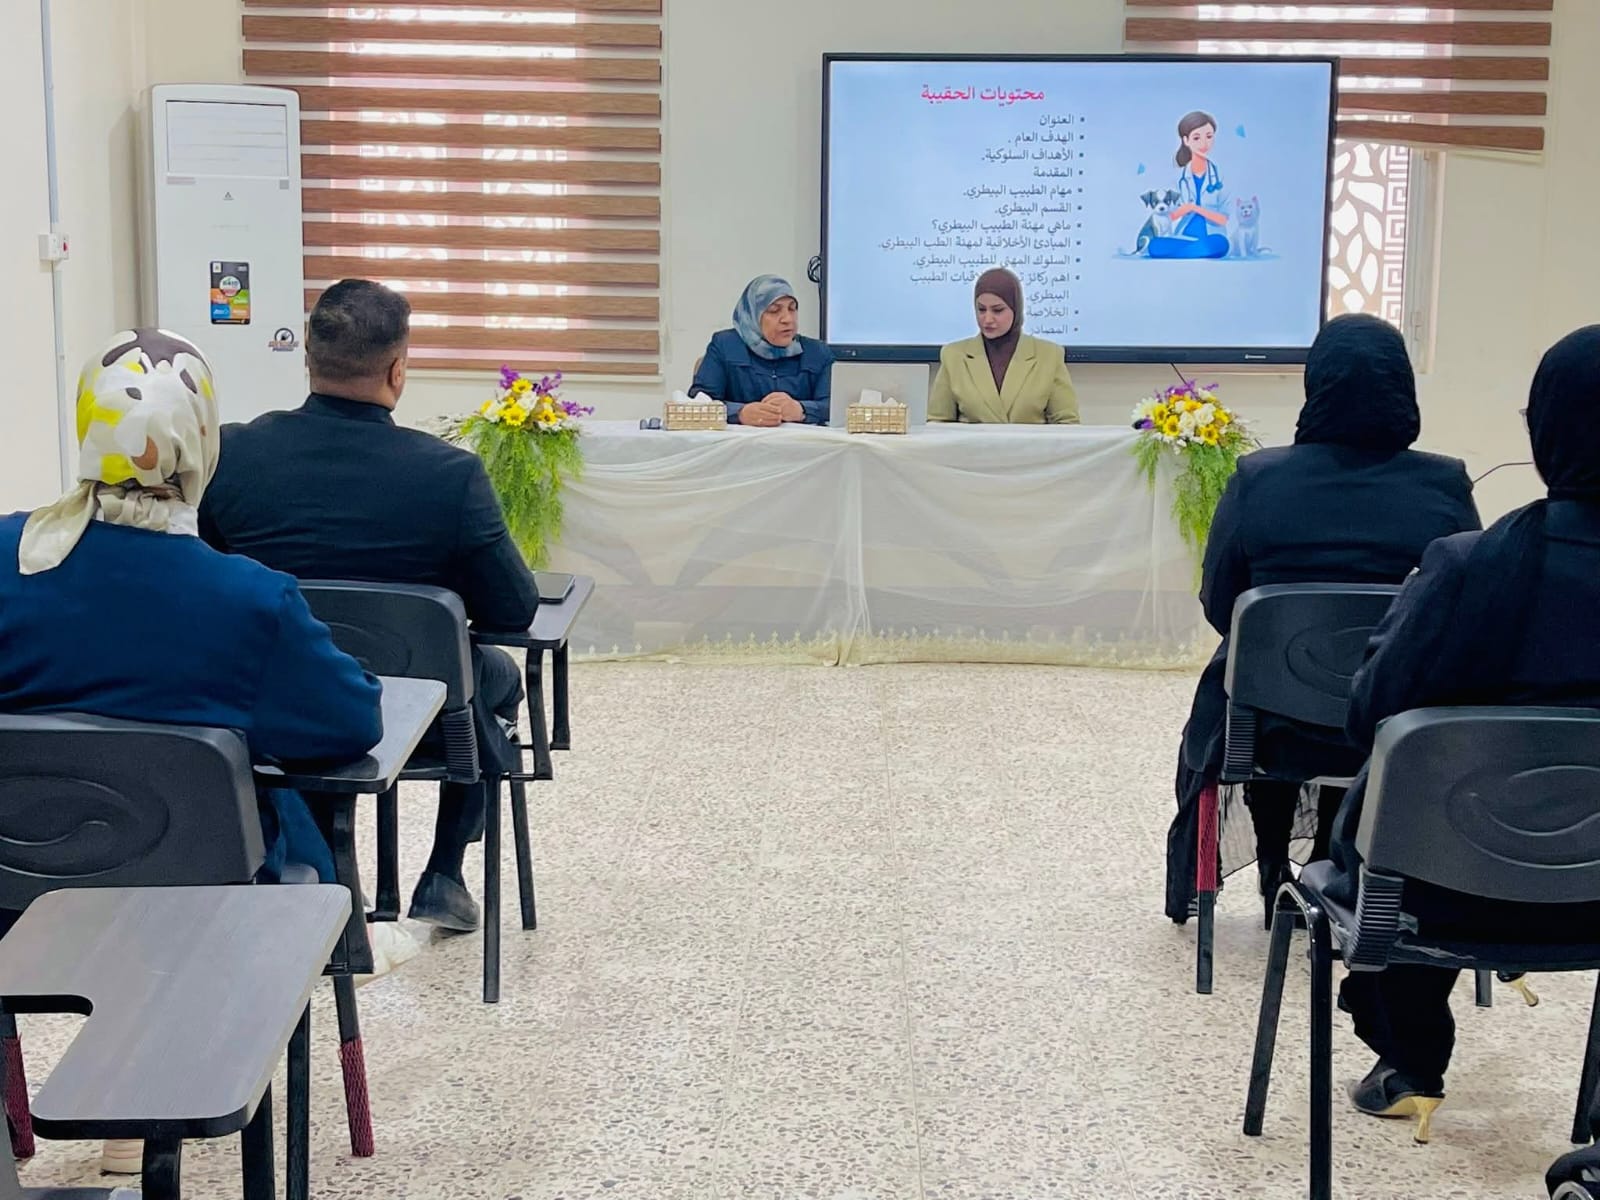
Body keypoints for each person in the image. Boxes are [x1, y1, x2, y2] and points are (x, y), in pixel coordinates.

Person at [0, 328, 384, 1176]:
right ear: (201, 443)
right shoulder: (246, 598)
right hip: (207, 899)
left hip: (18, 894)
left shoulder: (6, 557)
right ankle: (153, 1089)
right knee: (280, 821)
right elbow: (350, 721)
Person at [200, 279, 538, 935]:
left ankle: (325, 865)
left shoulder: (232, 453)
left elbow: (212, 582)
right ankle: (444, 874)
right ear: (397, 370)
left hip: (279, 708)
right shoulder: (448, 475)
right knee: (492, 676)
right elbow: (513, 607)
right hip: (424, 711)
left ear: (308, 357)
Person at [1327, 325, 1600, 1139]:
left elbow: (1371, 715)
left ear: (1543, 429)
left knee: (1412, 804)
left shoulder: (1468, 566)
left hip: (1438, 897)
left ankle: (1411, 1061)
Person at [1164, 314, 1480, 926]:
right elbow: (1462, 609)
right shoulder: (1444, 483)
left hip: (1269, 725)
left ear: (1317, 383)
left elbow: (1219, 601)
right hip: (1396, 727)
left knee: (1262, 681)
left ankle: (1272, 865)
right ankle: (1330, 863)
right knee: (1362, 694)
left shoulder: (1260, 478)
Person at [928, 268, 1079, 425]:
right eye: (981, 309)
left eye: (997, 310)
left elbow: (1067, 425)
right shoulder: (954, 356)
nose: (987, 319)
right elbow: (938, 424)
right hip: (973, 443)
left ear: (1016, 309)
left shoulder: (1049, 356)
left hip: (1028, 442)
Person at [689, 275, 834, 426]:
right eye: (774, 310)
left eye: (792, 309)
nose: (788, 319)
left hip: (802, 441)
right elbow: (698, 402)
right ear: (752, 314)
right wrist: (739, 413)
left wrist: (802, 409)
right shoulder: (725, 345)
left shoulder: (817, 352)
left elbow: (837, 406)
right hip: (742, 441)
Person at [1147, 111, 1230, 260]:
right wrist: (1183, 210)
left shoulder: (1221, 177)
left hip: (1211, 236)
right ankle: (1195, 251)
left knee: (1221, 243)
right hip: (1183, 236)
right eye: (1197, 138)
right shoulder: (1178, 179)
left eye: (1209, 136)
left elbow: (1223, 219)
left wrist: (1195, 208)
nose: (1204, 144)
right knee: (1154, 245)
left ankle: (1186, 252)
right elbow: (1170, 216)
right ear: (1186, 140)